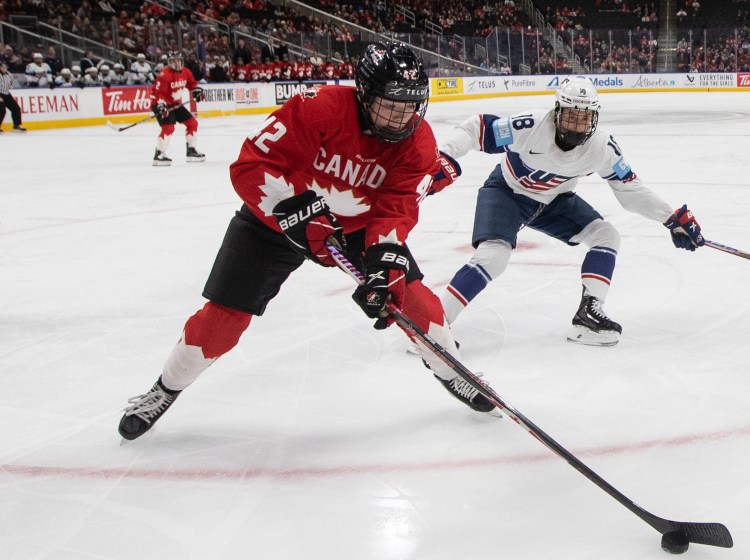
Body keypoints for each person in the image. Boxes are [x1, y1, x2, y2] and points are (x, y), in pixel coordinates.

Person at [117, 42, 496, 442]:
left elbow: (397, 207)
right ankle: (164, 388)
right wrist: (293, 209)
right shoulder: (318, 108)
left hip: (353, 230)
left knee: (412, 296)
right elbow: (251, 164)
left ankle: (452, 370)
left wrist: (385, 259)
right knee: (222, 321)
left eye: (411, 106)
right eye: (391, 104)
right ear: (364, 93)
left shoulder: (418, 144)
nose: (402, 117)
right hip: (273, 222)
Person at [435, 76, 705, 347]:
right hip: (507, 193)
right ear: (557, 112)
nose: (577, 125)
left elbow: (630, 190)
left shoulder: (602, 148)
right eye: (571, 117)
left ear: (595, 118)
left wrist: (670, 219)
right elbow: (475, 129)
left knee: (606, 236)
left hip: (553, 201)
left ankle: (588, 312)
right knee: (494, 256)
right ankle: (434, 325)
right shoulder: (529, 125)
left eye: (584, 118)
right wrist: (445, 155)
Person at [150, 51, 205, 166]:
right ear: (169, 62)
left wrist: (196, 91)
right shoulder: (164, 74)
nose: (176, 63)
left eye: (178, 60)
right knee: (168, 128)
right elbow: (158, 93)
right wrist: (161, 105)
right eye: (173, 61)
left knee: (192, 123)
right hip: (161, 104)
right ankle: (159, 154)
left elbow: (192, 84)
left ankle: (191, 151)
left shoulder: (186, 72)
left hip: (175, 104)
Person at [0, 61, 27, 132]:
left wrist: (9, 86)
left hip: (6, 93)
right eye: (3, 67)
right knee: (2, 110)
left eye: (5, 66)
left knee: (16, 108)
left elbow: (10, 83)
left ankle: (16, 125)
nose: (5, 68)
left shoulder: (9, 74)